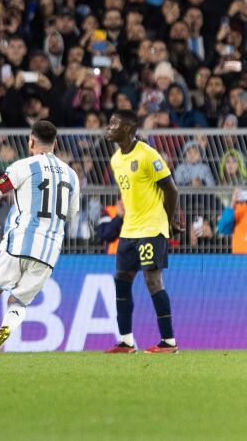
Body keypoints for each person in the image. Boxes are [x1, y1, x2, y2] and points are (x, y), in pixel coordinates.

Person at [0, 121, 80, 356]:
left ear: (31, 141)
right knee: (18, 303)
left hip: (20, 242)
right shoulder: (72, 175)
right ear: (56, 143)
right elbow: (71, 215)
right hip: (49, 251)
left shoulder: (24, 166)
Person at [104, 110, 182, 354]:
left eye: (114, 123)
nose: (109, 126)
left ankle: (168, 342)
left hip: (152, 226)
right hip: (130, 229)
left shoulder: (148, 155)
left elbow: (171, 191)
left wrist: (168, 221)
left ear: (128, 128)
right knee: (121, 279)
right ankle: (126, 341)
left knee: (152, 279)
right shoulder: (116, 160)